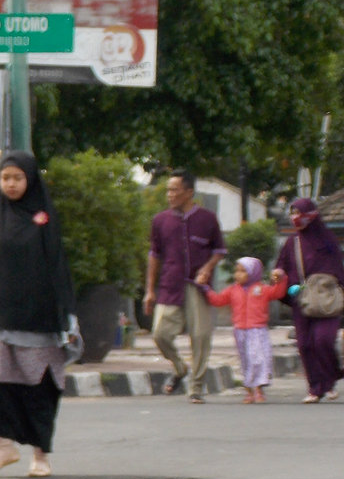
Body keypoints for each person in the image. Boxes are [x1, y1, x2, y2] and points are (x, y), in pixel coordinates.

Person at [0, 152, 76, 479]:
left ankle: (41, 456)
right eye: (5, 177)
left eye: (17, 178)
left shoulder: (43, 218)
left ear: (30, 180)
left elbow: (57, 269)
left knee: (37, 387)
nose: (10, 184)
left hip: (38, 319)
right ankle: (5, 447)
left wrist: (66, 317)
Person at [144, 170, 225, 404]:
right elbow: (154, 255)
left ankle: (196, 387)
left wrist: (207, 267)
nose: (169, 194)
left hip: (197, 287)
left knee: (200, 336)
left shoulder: (207, 219)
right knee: (160, 334)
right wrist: (150, 290)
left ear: (189, 192)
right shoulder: (160, 221)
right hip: (170, 284)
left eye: (174, 190)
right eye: (168, 190)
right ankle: (180, 368)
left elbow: (219, 250)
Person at [276, 198, 344, 403]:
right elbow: (282, 265)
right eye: (293, 213)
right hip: (302, 299)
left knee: (322, 340)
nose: (296, 218)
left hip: (326, 299)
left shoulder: (328, 240)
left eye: (301, 213)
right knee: (305, 344)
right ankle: (315, 388)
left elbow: (339, 270)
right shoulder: (292, 242)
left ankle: (330, 378)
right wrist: (278, 273)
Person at [204, 257, 285, 404]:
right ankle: (249, 391)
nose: (237, 274)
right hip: (240, 331)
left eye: (242, 271)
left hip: (258, 331)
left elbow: (278, 293)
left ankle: (259, 389)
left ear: (253, 273)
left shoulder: (262, 289)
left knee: (258, 359)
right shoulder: (232, 290)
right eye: (237, 271)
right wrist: (206, 289)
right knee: (246, 361)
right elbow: (218, 300)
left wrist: (281, 278)